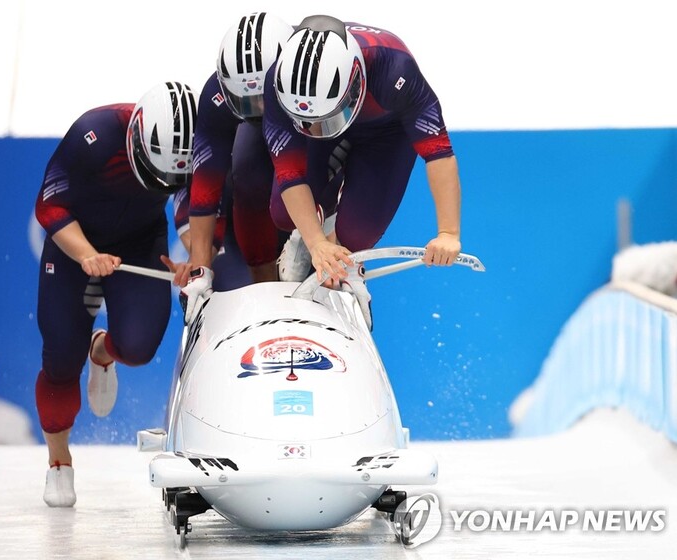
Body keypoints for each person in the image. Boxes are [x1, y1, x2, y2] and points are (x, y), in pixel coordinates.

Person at [33, 82, 197, 507]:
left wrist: (193, 258)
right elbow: (49, 207)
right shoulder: (94, 135)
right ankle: (59, 462)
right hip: (76, 242)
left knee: (139, 348)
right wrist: (86, 254)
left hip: (139, 240)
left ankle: (102, 352)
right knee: (61, 356)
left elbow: (195, 202)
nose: (162, 182)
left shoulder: (196, 142)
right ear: (138, 142)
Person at [263, 16, 464, 328]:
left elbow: (438, 153)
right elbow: (289, 172)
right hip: (322, 129)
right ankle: (315, 236)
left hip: (386, 134)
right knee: (281, 212)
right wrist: (316, 243)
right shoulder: (278, 82)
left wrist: (448, 233)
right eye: (307, 122)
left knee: (358, 234)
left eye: (324, 120)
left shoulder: (396, 72)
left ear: (357, 83)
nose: (317, 130)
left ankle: (340, 244)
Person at [171, 13, 342, 324]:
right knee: (247, 169)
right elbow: (205, 184)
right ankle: (265, 281)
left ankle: (322, 257)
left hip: (306, 126)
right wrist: (199, 269)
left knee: (316, 163)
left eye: (263, 98)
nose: (260, 111)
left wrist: (327, 242)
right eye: (245, 102)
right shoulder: (216, 97)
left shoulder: (319, 74)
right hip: (251, 201)